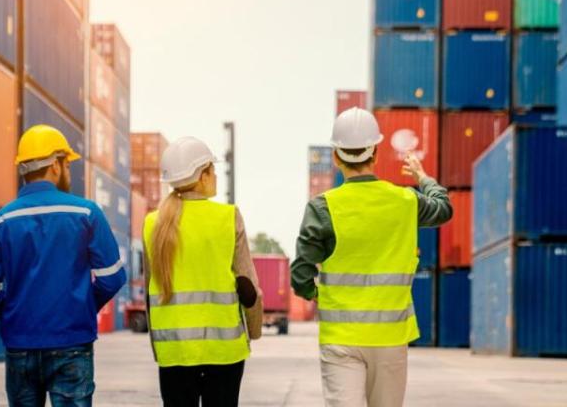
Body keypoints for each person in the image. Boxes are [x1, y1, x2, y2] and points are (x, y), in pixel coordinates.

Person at [291, 108, 452, 407]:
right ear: (375, 153)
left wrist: (319, 295)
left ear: (337, 156)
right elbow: (443, 208)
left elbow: (300, 274)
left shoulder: (322, 207)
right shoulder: (405, 200)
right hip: (390, 338)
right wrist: (423, 176)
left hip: (341, 338)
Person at [0, 124, 127, 407]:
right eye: (67, 164)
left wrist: (18, 314)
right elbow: (113, 278)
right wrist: (80, 307)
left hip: (20, 346)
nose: (69, 171)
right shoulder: (86, 213)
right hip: (72, 343)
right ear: (56, 165)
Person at [143, 136, 264, 407]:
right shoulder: (228, 217)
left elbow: (151, 293)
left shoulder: (153, 223)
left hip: (174, 351)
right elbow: (248, 287)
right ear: (203, 175)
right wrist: (254, 332)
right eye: (213, 169)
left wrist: (159, 349)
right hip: (223, 350)